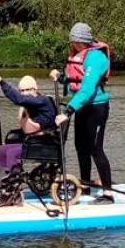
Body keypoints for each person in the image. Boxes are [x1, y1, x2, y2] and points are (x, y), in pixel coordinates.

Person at [50, 22, 114, 204]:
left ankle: (108, 194)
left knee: (95, 148)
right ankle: (85, 185)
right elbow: (72, 78)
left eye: (74, 41)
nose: (72, 44)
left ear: (80, 41)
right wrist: (60, 77)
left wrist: (67, 111)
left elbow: (86, 88)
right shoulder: (76, 54)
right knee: (80, 146)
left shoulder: (96, 58)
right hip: (82, 107)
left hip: (97, 107)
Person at [0, 72, 58, 203]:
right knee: (3, 149)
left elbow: (18, 99)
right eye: (21, 90)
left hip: (45, 143)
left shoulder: (42, 101)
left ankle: (14, 193)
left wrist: (0, 81)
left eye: (27, 90)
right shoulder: (31, 104)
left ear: (35, 89)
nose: (24, 93)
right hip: (34, 140)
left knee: (12, 153)